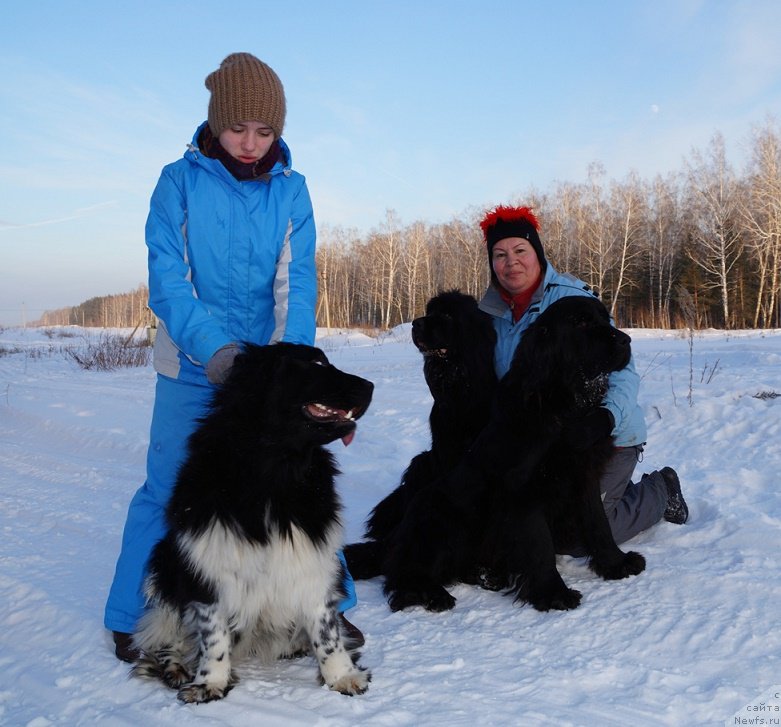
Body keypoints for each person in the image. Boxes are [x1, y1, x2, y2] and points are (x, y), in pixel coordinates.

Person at [104, 52, 362, 662]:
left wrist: (288, 370)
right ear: (216, 123)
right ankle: (132, 610)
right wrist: (218, 353)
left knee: (298, 478)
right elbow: (168, 280)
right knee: (173, 485)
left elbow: (296, 283)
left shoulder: (292, 190)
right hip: (194, 366)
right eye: (239, 128)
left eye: (265, 131)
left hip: (269, 368)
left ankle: (329, 609)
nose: (251, 143)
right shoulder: (178, 182)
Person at [477, 204, 688, 554]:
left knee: (578, 534)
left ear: (538, 255)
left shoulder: (574, 302)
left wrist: (603, 419)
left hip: (602, 437)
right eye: (499, 254)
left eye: (519, 251)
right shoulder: (491, 314)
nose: (510, 262)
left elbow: (623, 371)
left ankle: (660, 491)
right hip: (538, 442)